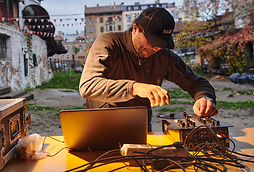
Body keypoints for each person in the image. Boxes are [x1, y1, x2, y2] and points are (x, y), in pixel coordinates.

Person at [79, 7, 218, 131]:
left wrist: (204, 98)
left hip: (141, 130)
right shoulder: (108, 43)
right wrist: (135, 88)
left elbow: (197, 83)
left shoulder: (163, 56)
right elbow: (88, 86)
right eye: (152, 42)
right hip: (100, 129)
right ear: (135, 29)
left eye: (161, 44)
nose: (155, 48)